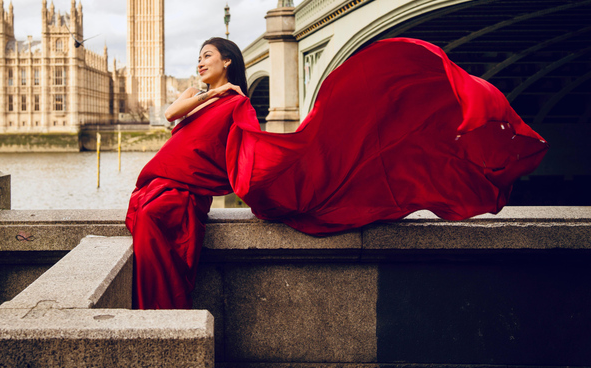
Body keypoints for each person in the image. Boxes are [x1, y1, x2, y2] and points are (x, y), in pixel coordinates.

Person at [125, 36, 548, 310]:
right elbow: (170, 114)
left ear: (229, 61)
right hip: (166, 178)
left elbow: (249, 151)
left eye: (208, 57)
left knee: (154, 218)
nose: (199, 63)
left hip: (183, 189)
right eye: (198, 57)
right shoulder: (203, 94)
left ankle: (161, 314)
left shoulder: (239, 106)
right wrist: (213, 91)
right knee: (149, 215)